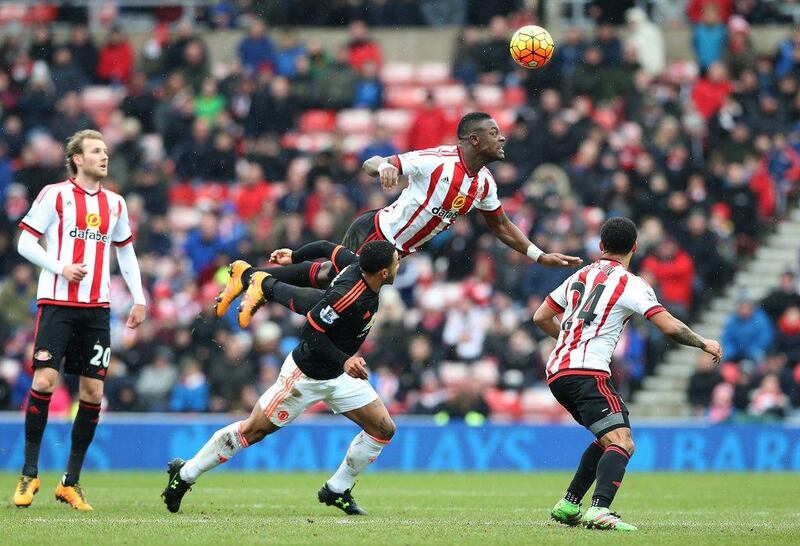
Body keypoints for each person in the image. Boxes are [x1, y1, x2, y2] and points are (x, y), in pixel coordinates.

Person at [215, 111, 581, 326]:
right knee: (337, 304)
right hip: (375, 233)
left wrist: (538, 254)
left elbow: (500, 224)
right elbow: (372, 162)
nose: (502, 139)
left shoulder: (483, 183)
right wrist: (386, 167)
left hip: (393, 253)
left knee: (331, 283)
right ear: (472, 139)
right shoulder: (437, 160)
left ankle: (250, 277)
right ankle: (257, 281)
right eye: (493, 133)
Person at [162, 240, 399, 516]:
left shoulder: (355, 264)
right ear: (383, 272)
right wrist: (344, 359)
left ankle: (336, 489)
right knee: (252, 431)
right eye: (396, 261)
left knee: (383, 429)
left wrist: (295, 255)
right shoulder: (349, 295)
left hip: (339, 375)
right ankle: (185, 473)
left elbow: (325, 246)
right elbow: (310, 334)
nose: (399, 264)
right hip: (305, 376)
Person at [532, 217, 722, 531]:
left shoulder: (581, 275)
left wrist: (569, 340)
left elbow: (541, 316)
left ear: (601, 246)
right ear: (635, 247)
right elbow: (669, 326)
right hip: (587, 371)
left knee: (608, 439)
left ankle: (569, 504)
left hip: (557, 372)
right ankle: (599, 510)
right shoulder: (630, 283)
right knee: (623, 442)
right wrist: (704, 342)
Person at [13, 129, 147, 510]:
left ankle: (70, 482)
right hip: (56, 302)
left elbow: (126, 254)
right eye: (96, 151)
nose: (104, 156)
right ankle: (28, 474)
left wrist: (139, 298)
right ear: (77, 158)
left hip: (97, 309)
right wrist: (60, 266)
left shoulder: (116, 204)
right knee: (45, 379)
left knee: (92, 394)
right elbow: (23, 241)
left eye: (105, 150)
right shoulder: (54, 196)